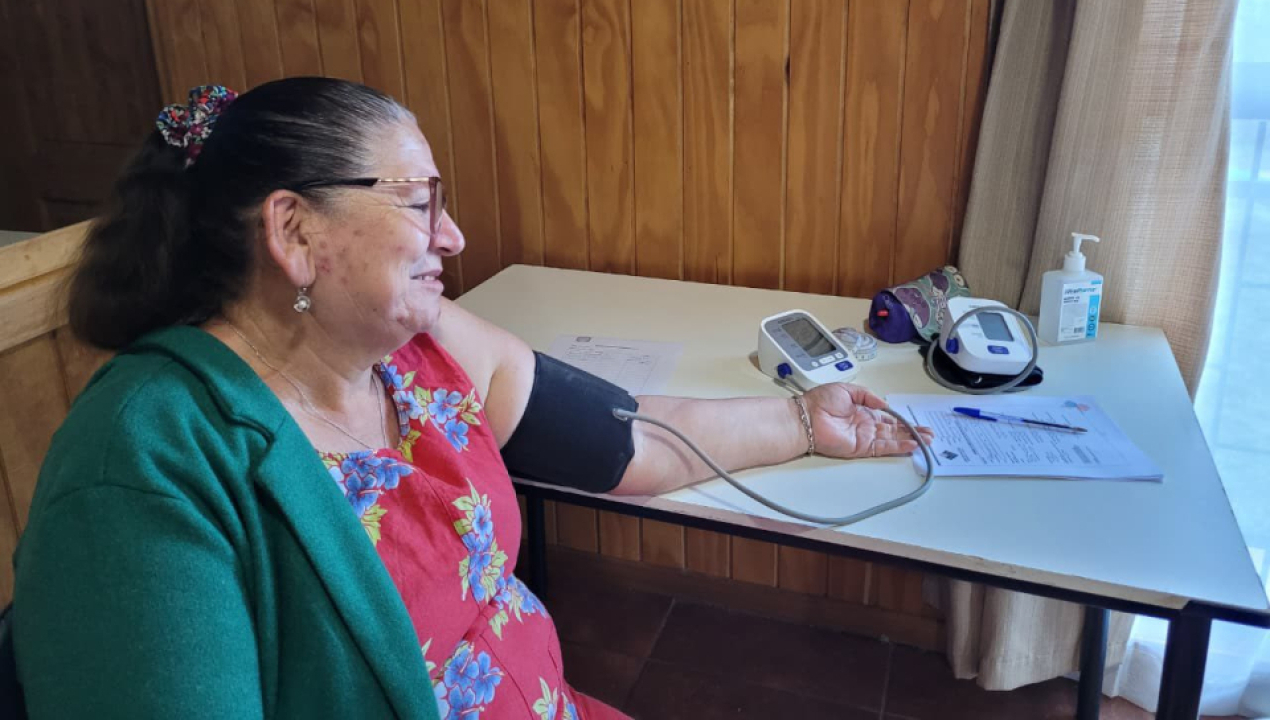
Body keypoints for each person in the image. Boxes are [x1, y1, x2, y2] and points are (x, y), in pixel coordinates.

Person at [10, 78, 933, 719]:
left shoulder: (417, 347)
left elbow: (627, 441)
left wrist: (804, 420)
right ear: (294, 232)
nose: (452, 236)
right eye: (419, 201)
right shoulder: (142, 466)